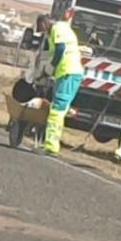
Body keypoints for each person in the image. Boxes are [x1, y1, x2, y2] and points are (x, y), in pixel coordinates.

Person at [39, 11, 84, 155]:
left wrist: (52, 65)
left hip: (67, 71)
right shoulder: (61, 28)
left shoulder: (57, 29)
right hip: (67, 72)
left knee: (56, 110)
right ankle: (51, 143)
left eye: (42, 28)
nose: (43, 31)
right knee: (61, 108)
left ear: (45, 23)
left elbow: (60, 49)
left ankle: (51, 145)